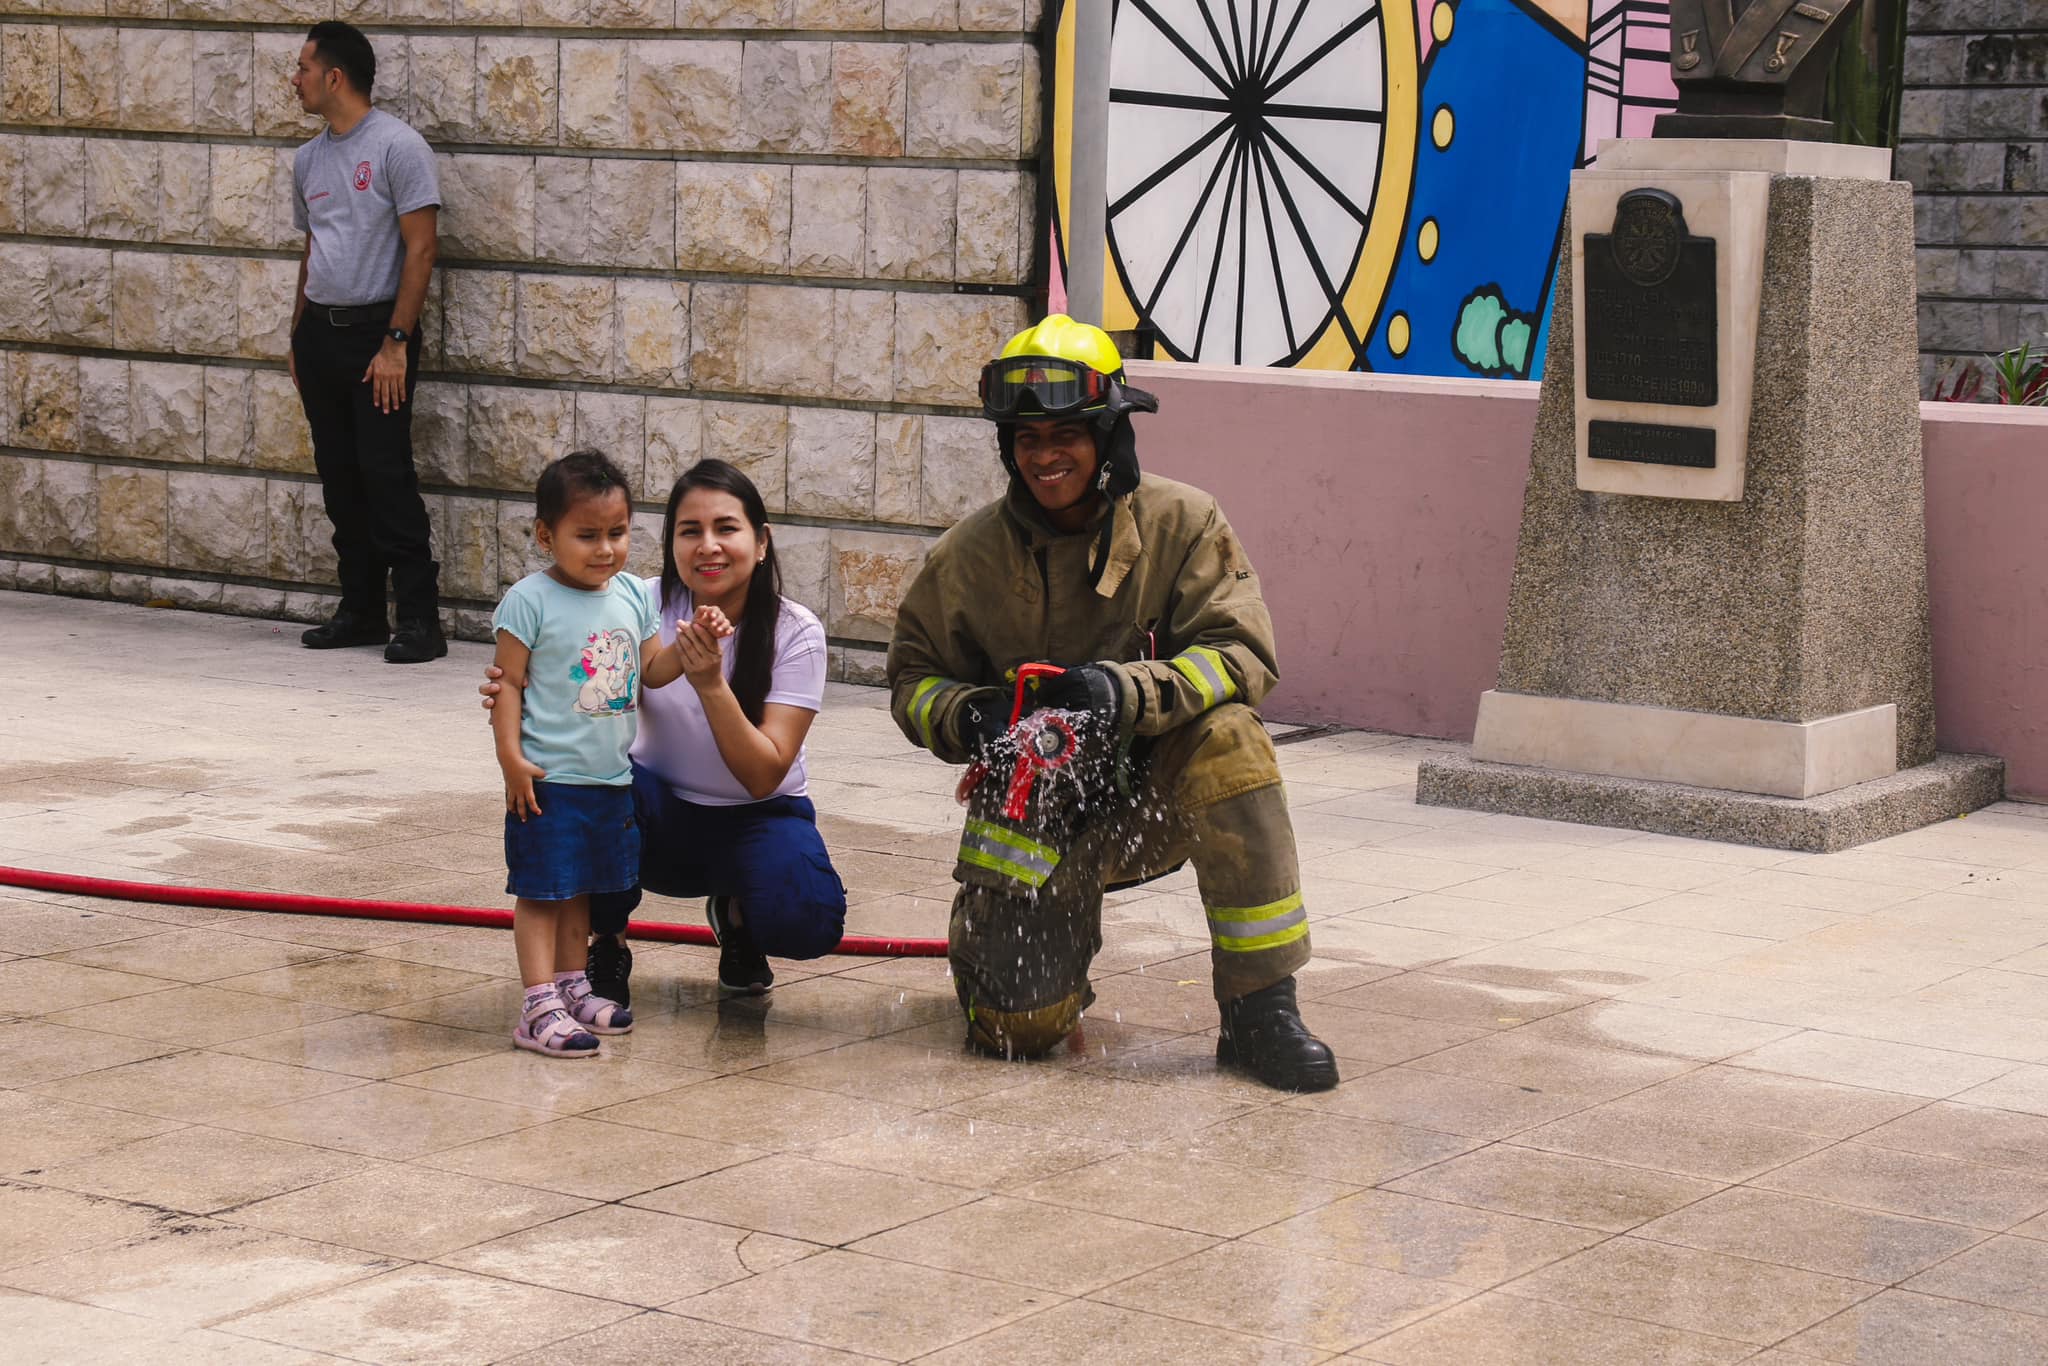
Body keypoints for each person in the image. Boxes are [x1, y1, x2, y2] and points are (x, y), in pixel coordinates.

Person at [885, 314, 1339, 1092]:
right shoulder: (968, 557)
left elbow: (1243, 655)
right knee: (1015, 1032)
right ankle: (1022, 968)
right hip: (1035, 809)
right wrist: (969, 717)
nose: (1044, 456)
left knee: (1231, 735)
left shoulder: (1184, 524)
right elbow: (911, 679)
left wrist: (1120, 692)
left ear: (1111, 437)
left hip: (1158, 797)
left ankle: (1261, 1007)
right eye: (1026, 438)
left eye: (1065, 434)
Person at [483, 460, 847, 1004]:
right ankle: (605, 942)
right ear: (670, 541)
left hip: (756, 817)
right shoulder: (633, 600)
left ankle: (739, 914)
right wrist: (517, 686)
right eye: (689, 530)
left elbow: (763, 775)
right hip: (651, 808)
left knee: (806, 917)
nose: (708, 546)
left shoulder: (796, 631)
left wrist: (709, 682)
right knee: (585, 800)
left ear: (762, 540)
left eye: (726, 528)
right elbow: (561, 668)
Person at [490, 450, 721, 1056]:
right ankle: (536, 1004)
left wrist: (691, 644)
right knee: (543, 891)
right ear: (546, 535)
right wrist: (512, 760)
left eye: (617, 533)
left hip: (610, 778)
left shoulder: (630, 595)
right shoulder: (528, 601)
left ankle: (572, 985)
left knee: (583, 891)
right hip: (549, 778)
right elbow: (507, 685)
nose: (605, 550)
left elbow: (652, 670)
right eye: (586, 535)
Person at [288, 20, 446, 663]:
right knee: (339, 477)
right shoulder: (308, 158)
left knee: (385, 476)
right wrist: (296, 335)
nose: (292, 80)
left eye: (301, 68)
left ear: (334, 76)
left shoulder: (398, 148)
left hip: (380, 336)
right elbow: (312, 247)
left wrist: (396, 343)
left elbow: (422, 246)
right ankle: (359, 611)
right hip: (320, 334)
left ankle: (419, 619)